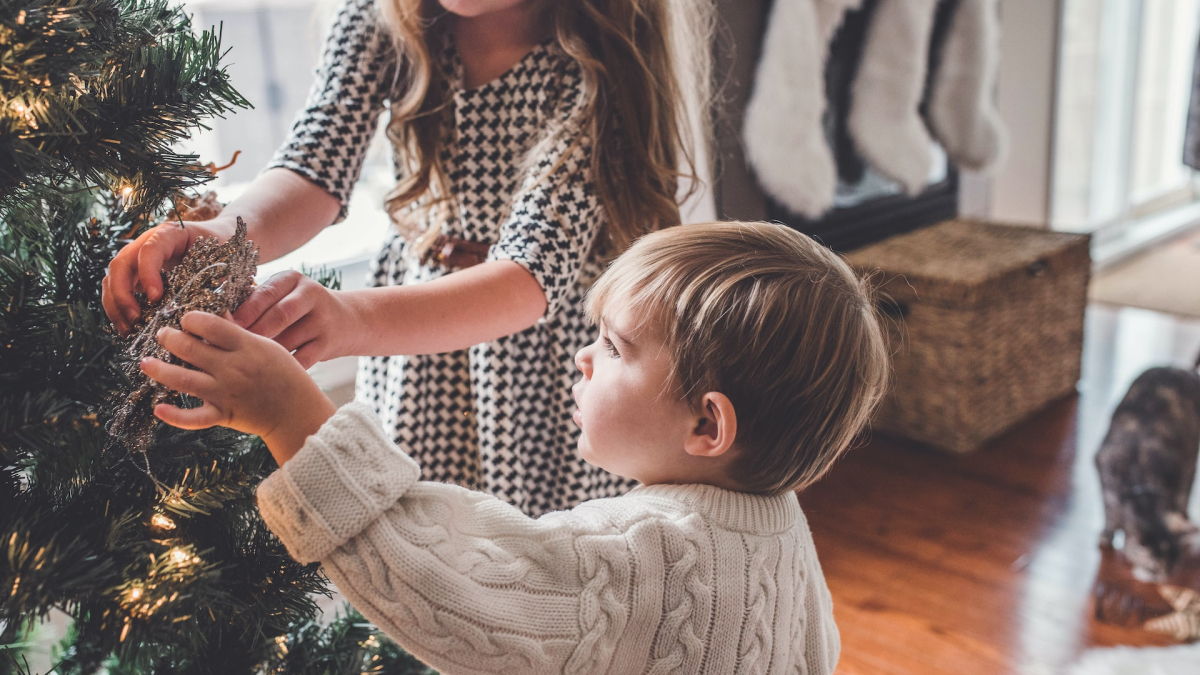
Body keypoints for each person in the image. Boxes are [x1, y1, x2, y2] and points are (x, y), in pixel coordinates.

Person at [140, 221, 890, 674]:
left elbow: (443, 584)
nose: (583, 358)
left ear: (707, 427)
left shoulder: (642, 552)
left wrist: (291, 416)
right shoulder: (783, 530)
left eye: (614, 346)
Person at [101, 0, 711, 516]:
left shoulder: (593, 63)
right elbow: (313, 167)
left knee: (527, 567)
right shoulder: (384, 20)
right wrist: (224, 234)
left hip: (544, 362)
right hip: (419, 355)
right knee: (425, 551)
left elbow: (528, 277)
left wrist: (348, 321)